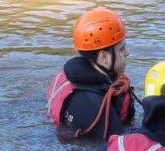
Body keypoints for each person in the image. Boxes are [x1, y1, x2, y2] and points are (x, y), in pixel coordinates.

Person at [46, 8, 137, 139]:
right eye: (122, 49)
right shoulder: (97, 107)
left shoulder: (65, 76)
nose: (127, 53)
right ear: (104, 57)